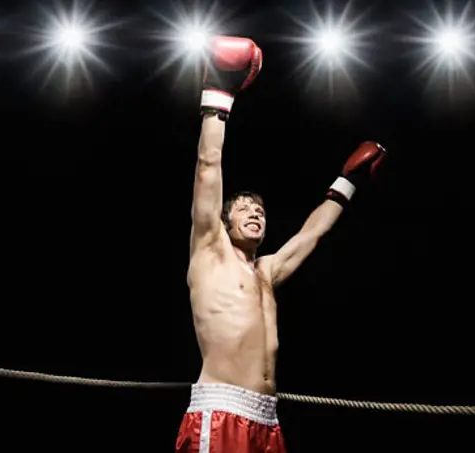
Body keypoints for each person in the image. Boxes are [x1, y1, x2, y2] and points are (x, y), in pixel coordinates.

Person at [175, 35, 387, 453]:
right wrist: (218, 95)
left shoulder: (266, 271)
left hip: (266, 420)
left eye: (262, 211)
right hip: (220, 415)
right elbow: (207, 169)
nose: (256, 213)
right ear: (223, 220)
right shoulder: (209, 251)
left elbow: (311, 234)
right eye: (245, 209)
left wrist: (348, 181)